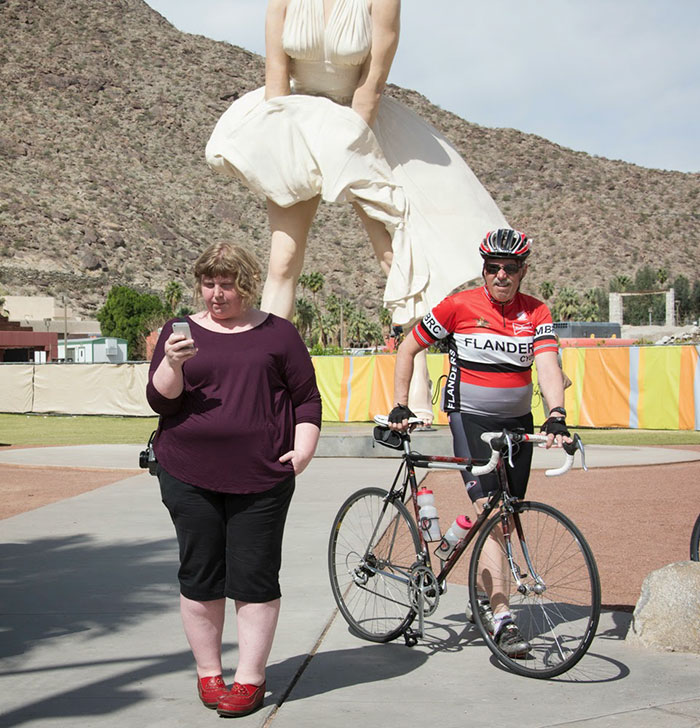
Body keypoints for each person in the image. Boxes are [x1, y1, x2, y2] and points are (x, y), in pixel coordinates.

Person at [205, 0, 508, 426]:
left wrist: (347, 149)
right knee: (283, 261)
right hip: (295, 124)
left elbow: (372, 86)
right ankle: (263, 388)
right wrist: (284, 151)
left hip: (361, 125)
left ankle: (415, 391)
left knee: (393, 257)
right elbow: (277, 82)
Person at [146, 243, 322, 716]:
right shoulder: (178, 332)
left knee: (255, 577)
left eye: (227, 284)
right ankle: (209, 674)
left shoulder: (278, 334)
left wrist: (303, 449)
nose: (217, 294)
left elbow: (306, 399)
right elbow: (162, 402)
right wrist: (173, 363)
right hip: (187, 473)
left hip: (262, 477)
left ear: (245, 284)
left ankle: (249, 679)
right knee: (200, 574)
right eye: (209, 283)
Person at [387, 228, 571, 657]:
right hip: (470, 420)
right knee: (492, 512)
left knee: (506, 516)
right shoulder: (458, 306)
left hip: (518, 421)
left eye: (510, 268)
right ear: (483, 269)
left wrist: (557, 415)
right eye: (493, 268)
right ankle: (502, 617)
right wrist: (400, 404)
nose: (501, 275)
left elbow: (547, 364)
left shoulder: (537, 312)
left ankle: (484, 590)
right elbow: (408, 348)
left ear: (523, 271)